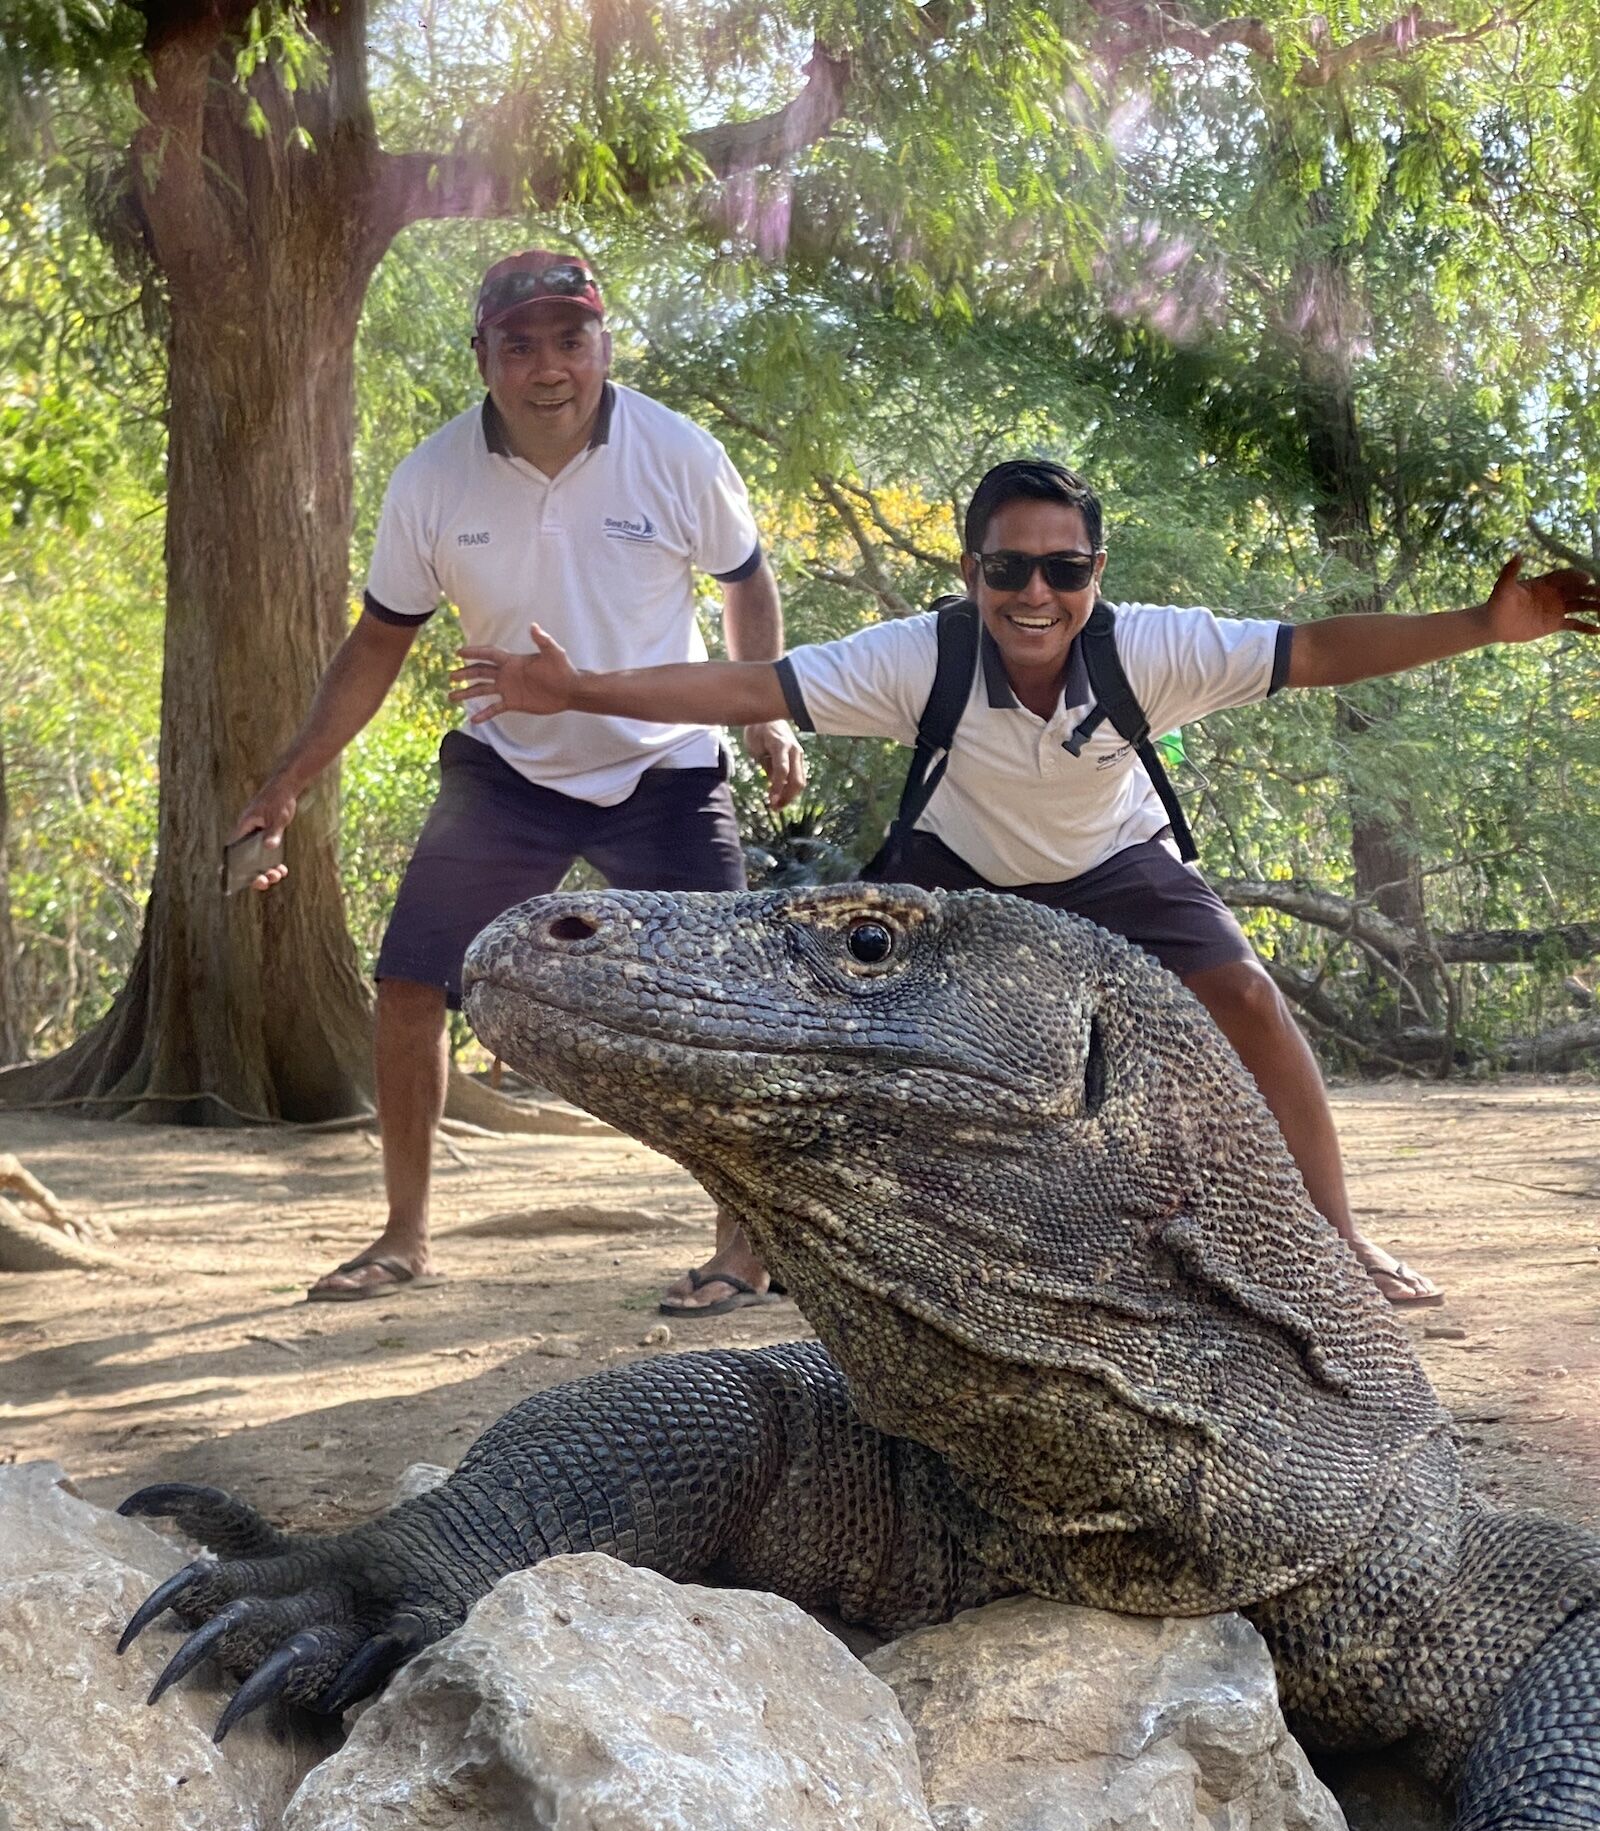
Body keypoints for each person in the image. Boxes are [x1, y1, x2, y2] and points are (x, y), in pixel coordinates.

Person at [447, 456, 1600, 1312]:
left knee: (1247, 997)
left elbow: (1317, 651)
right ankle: (750, 1250)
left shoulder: (1150, 650)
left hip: (1114, 860)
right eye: (1008, 568)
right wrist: (581, 685)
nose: (1034, 593)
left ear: (1096, 573)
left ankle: (1336, 1239)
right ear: (972, 571)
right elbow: (743, 689)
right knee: (824, 1030)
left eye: (1062, 568)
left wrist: (1481, 627)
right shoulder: (918, 657)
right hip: (959, 873)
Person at [230, 249, 804, 1306]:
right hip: (506, 765)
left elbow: (745, 583)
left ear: (605, 346)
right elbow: (378, 641)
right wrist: (288, 779)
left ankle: (742, 1244)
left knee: (730, 1002)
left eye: (571, 341)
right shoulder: (433, 478)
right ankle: (403, 1236)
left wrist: (760, 713)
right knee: (409, 985)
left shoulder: (676, 453)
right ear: (483, 358)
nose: (550, 369)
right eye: (521, 345)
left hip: (661, 762)